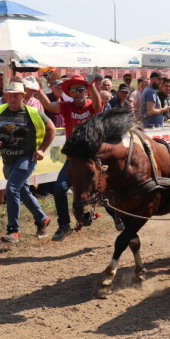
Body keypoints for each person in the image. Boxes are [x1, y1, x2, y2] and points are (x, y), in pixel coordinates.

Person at [0, 81, 56, 243]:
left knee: (12, 189)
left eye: (16, 95)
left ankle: (13, 230)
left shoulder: (34, 113)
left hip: (27, 158)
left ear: (23, 96)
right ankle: (42, 218)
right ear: (6, 96)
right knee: (22, 191)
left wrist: (42, 149)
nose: (12, 98)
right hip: (8, 159)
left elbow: (51, 129)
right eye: (10, 95)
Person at [34, 74, 102, 241]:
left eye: (81, 89)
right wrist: (38, 90)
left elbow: (98, 105)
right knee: (59, 189)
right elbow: (48, 105)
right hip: (73, 159)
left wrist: (91, 85)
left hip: (93, 156)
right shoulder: (66, 107)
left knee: (107, 186)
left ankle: (116, 216)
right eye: (74, 90)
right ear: (70, 93)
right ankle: (64, 225)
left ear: (86, 91)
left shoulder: (91, 106)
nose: (78, 93)